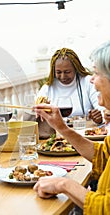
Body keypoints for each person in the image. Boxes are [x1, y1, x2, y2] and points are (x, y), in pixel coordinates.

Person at [33, 41, 110, 214]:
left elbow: (106, 209)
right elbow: (102, 156)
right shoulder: (47, 88)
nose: (91, 79)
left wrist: (64, 184)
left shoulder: (84, 84)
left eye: (96, 73)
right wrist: (61, 127)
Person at [37, 48, 104, 124]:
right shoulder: (48, 88)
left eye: (67, 72)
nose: (63, 76)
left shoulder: (88, 82)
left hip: (84, 132)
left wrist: (99, 117)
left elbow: (103, 111)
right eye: (58, 72)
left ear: (76, 68)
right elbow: (36, 112)